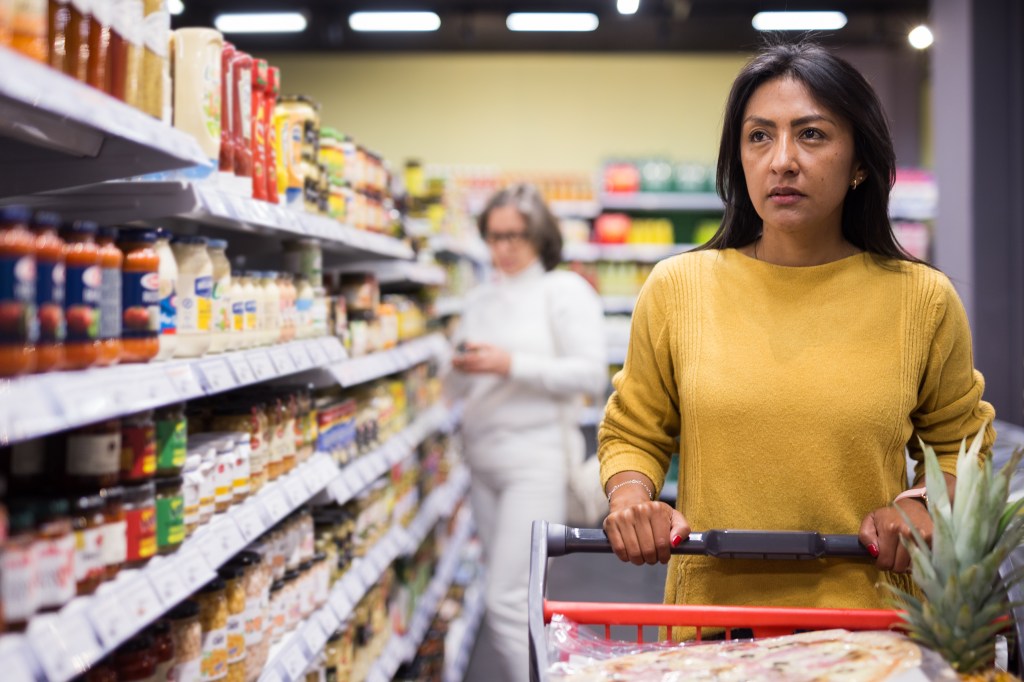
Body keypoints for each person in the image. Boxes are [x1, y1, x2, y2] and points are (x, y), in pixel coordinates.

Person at [598, 41, 996, 639]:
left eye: (811, 135)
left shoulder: (922, 299)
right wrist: (631, 497)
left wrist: (918, 507)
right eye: (760, 136)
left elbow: (962, 444)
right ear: (739, 157)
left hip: (870, 628)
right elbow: (634, 429)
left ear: (859, 159)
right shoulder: (678, 288)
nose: (782, 159)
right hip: (712, 631)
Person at [446, 183, 606, 680]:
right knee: (518, 593)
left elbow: (590, 375)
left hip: (534, 461)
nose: (505, 247)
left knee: (507, 599)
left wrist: (509, 363)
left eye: (516, 234)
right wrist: (456, 364)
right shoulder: (480, 299)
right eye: (495, 236)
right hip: (482, 462)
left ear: (541, 236)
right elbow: (454, 382)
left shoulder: (563, 291)